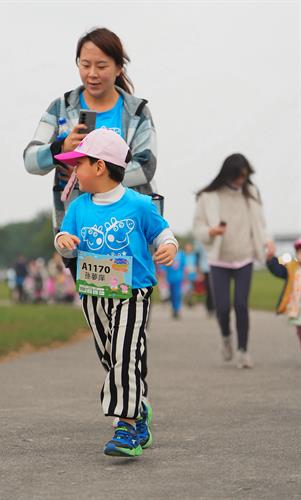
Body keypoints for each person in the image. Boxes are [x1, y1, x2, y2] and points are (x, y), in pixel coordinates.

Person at [54, 128, 178, 458]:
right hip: (93, 293)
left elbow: (163, 234)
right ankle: (138, 414)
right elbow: (65, 241)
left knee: (123, 354)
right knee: (111, 356)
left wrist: (168, 247)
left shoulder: (138, 205)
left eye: (78, 164)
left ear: (99, 167)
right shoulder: (79, 207)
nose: (73, 171)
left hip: (133, 292)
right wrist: (63, 243)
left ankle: (124, 427)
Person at [23, 27, 158, 282]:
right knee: (95, 304)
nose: (92, 74)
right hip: (80, 226)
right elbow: (30, 160)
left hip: (128, 227)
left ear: (119, 68)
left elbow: (146, 166)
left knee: (129, 309)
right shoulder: (60, 107)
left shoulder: (137, 111)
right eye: (85, 65)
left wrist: (94, 176)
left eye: (101, 66)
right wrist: (59, 150)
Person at [193, 153, 275, 369]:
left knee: (240, 305)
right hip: (219, 259)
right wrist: (211, 231)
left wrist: (268, 242)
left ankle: (243, 351)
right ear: (227, 174)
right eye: (238, 176)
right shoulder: (208, 196)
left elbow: (260, 224)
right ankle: (226, 337)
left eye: (244, 176)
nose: (241, 181)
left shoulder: (252, 193)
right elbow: (198, 228)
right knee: (222, 308)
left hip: (244, 257)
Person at [266, 238, 301, 350]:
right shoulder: (292, 267)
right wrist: (271, 258)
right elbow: (278, 268)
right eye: (299, 252)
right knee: (300, 331)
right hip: (298, 308)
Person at [161, 249, 186, 318]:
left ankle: (177, 310)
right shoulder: (168, 253)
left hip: (178, 277)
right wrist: (163, 277)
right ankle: (173, 309)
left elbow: (184, 266)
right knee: (172, 295)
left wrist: (185, 277)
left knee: (177, 294)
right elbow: (163, 266)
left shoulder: (181, 254)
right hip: (170, 278)